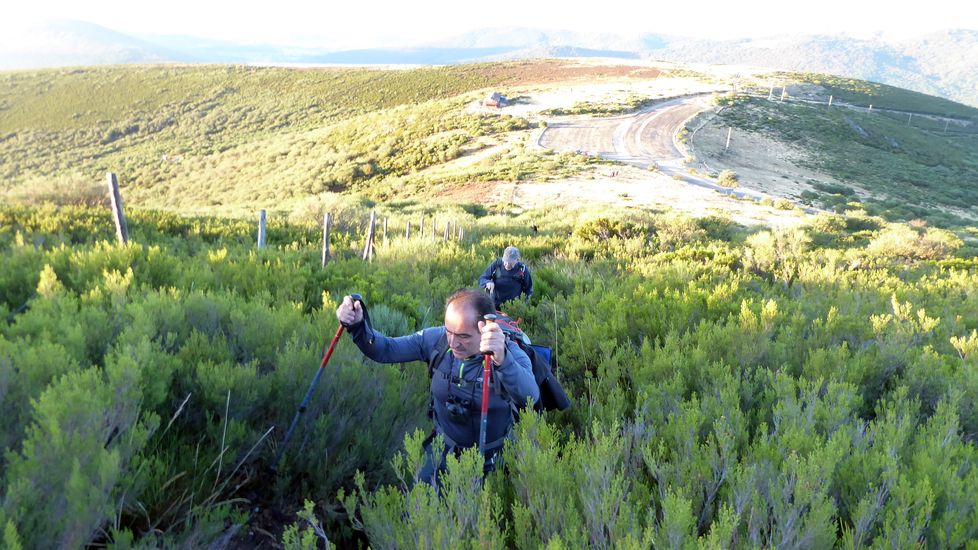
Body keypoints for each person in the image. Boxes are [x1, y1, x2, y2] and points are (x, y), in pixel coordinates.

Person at [335, 288, 538, 486]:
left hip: (494, 456)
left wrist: (502, 359)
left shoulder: (508, 352)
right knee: (420, 503)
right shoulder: (436, 341)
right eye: (449, 332)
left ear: (484, 328)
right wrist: (358, 325)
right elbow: (386, 349)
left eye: (464, 336)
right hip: (442, 449)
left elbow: (531, 396)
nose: (453, 343)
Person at [478, 246, 533, 310]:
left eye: (510, 262)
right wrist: (487, 282)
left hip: (514, 307)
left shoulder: (522, 269)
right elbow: (482, 279)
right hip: (495, 305)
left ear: (517, 260)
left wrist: (522, 305)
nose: (507, 264)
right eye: (505, 261)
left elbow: (529, 289)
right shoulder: (497, 264)